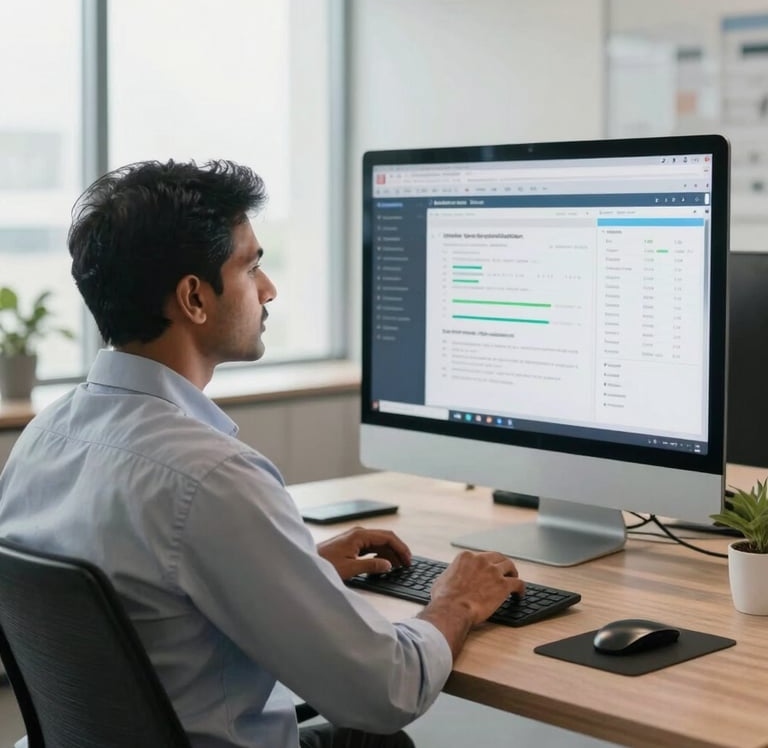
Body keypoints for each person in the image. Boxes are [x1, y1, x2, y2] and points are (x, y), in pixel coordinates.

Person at [0, 160, 523, 748]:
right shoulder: (209, 477)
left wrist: (293, 570)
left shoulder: (43, 439)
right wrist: (456, 602)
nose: (268, 288)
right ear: (194, 298)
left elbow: (141, 597)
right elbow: (386, 692)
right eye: (251, 266)